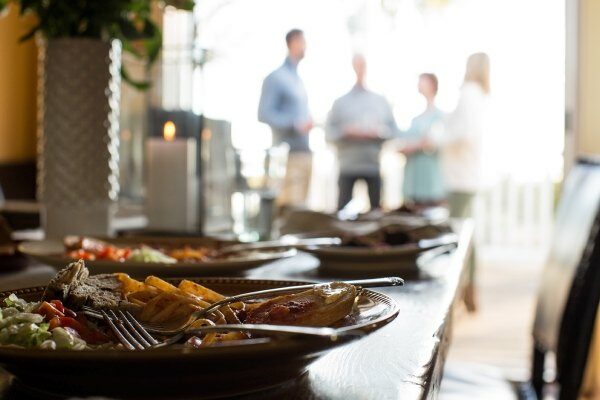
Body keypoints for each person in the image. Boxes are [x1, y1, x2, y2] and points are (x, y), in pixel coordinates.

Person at [441, 52, 491, 312]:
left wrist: (440, 137)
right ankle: (469, 290)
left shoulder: (469, 93)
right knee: (468, 232)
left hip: (461, 176)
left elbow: (464, 133)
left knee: (460, 234)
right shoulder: (480, 95)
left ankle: (464, 289)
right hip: (468, 175)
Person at [326, 54, 397, 211]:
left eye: (362, 65)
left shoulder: (380, 101)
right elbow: (329, 134)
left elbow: (393, 131)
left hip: (372, 165)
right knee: (342, 212)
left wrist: (378, 132)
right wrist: (345, 131)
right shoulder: (340, 102)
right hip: (347, 166)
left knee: (376, 211)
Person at [258, 29, 313, 209]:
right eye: (302, 41)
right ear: (292, 42)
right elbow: (264, 114)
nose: (305, 46)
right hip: (287, 156)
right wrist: (294, 125)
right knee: (287, 210)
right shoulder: (276, 78)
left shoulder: (299, 79)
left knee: (301, 212)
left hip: (304, 153)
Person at [398, 73, 445, 208]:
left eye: (423, 81)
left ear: (432, 85)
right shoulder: (415, 119)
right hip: (413, 184)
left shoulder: (440, 117)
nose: (419, 85)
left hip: (431, 185)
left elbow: (431, 143)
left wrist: (413, 146)